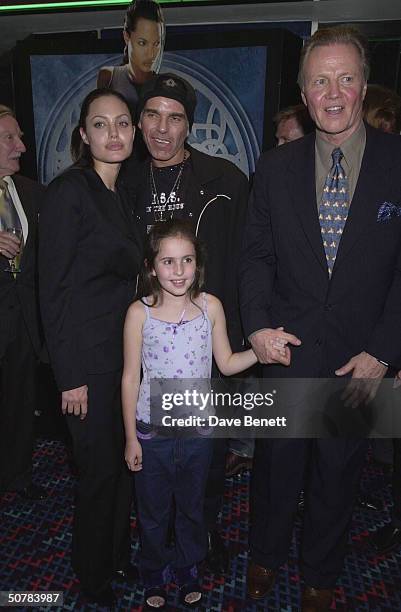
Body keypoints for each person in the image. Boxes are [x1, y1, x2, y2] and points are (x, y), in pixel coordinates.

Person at [239, 25, 401, 611]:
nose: (333, 92)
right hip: (285, 350)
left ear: (364, 85)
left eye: (346, 78)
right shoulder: (274, 167)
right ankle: (264, 555)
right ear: (304, 95)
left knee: (340, 470)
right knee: (277, 467)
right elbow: (254, 256)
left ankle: (320, 575)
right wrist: (255, 327)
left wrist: (385, 350)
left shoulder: (397, 162)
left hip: (362, 358)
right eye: (319, 80)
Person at [131, 72, 249, 575]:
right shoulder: (122, 181)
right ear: (139, 123)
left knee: (204, 463)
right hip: (146, 341)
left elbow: (251, 260)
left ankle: (201, 538)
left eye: (175, 117)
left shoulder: (226, 181)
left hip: (207, 341)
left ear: (189, 125)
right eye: (152, 115)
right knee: (154, 466)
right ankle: (153, 545)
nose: (163, 128)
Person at [39, 89, 142, 606]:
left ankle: (117, 557)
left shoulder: (123, 193)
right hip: (86, 363)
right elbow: (52, 290)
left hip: (122, 358)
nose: (114, 133)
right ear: (83, 135)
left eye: (123, 122)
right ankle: (92, 574)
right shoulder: (68, 193)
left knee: (124, 463)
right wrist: (69, 375)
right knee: (99, 472)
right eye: (100, 125)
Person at [122, 219, 257, 609]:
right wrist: (131, 436)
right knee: (152, 509)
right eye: (167, 261)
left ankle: (187, 567)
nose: (178, 271)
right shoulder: (139, 314)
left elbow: (228, 363)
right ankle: (153, 571)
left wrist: (260, 351)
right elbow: (131, 378)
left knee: (192, 506)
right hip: (152, 430)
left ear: (198, 265)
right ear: (151, 266)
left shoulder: (210, 306)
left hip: (198, 430)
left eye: (187, 260)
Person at [225, 102, 315, 479]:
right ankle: (248, 450)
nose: (278, 147)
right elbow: (254, 253)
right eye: (277, 139)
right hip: (266, 313)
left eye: (287, 139)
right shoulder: (269, 176)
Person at [0, 105, 46, 501]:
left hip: (24, 323)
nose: (22, 146)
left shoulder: (32, 192)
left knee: (20, 400)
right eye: (10, 139)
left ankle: (17, 473)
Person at [97, 0, 165, 115]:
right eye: (142, 43)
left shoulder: (164, 85)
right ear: (126, 37)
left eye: (156, 44)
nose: (151, 54)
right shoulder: (109, 76)